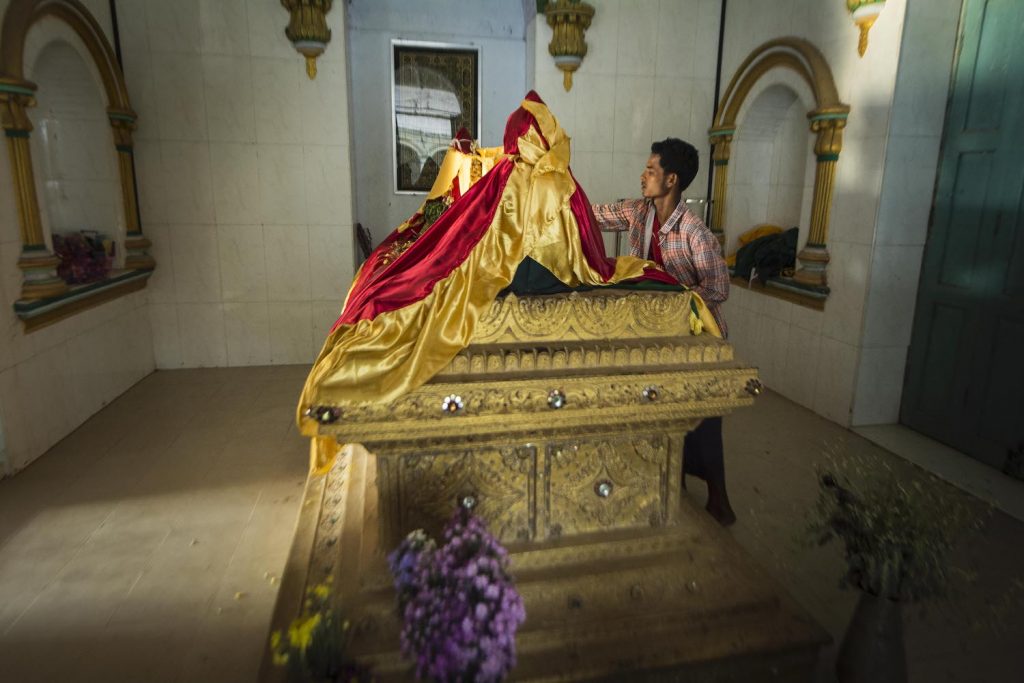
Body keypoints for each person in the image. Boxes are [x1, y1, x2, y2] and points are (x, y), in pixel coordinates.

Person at [591, 138, 736, 526]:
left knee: (701, 417)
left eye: (651, 171)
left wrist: (676, 302)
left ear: (671, 180)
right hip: (660, 336)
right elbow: (593, 215)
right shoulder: (640, 213)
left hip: (697, 338)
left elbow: (719, 288)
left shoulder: (694, 232)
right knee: (662, 411)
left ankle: (719, 498)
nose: (643, 176)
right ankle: (673, 488)